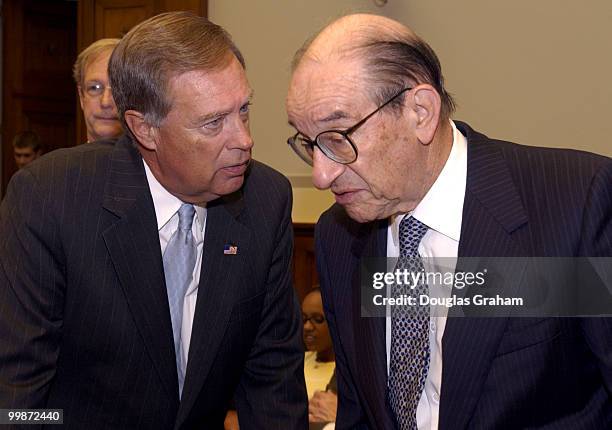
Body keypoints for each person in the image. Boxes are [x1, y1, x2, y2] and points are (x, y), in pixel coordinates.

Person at [286, 13, 612, 430]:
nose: (320, 175)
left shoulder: (575, 202)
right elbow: (359, 411)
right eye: (308, 142)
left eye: (338, 138)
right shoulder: (339, 234)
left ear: (420, 111)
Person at [0, 12, 307, 429]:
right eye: (213, 122)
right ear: (145, 129)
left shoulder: (265, 200)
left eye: (243, 111)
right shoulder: (50, 197)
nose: (244, 140)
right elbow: (18, 392)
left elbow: (273, 382)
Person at [73, 38, 123, 142]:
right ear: (81, 97)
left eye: (118, 88)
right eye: (94, 88)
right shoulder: (60, 159)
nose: (106, 102)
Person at [302, 288, 337, 428]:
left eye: (318, 319)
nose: (307, 326)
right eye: (304, 319)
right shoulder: (295, 361)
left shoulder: (347, 372)